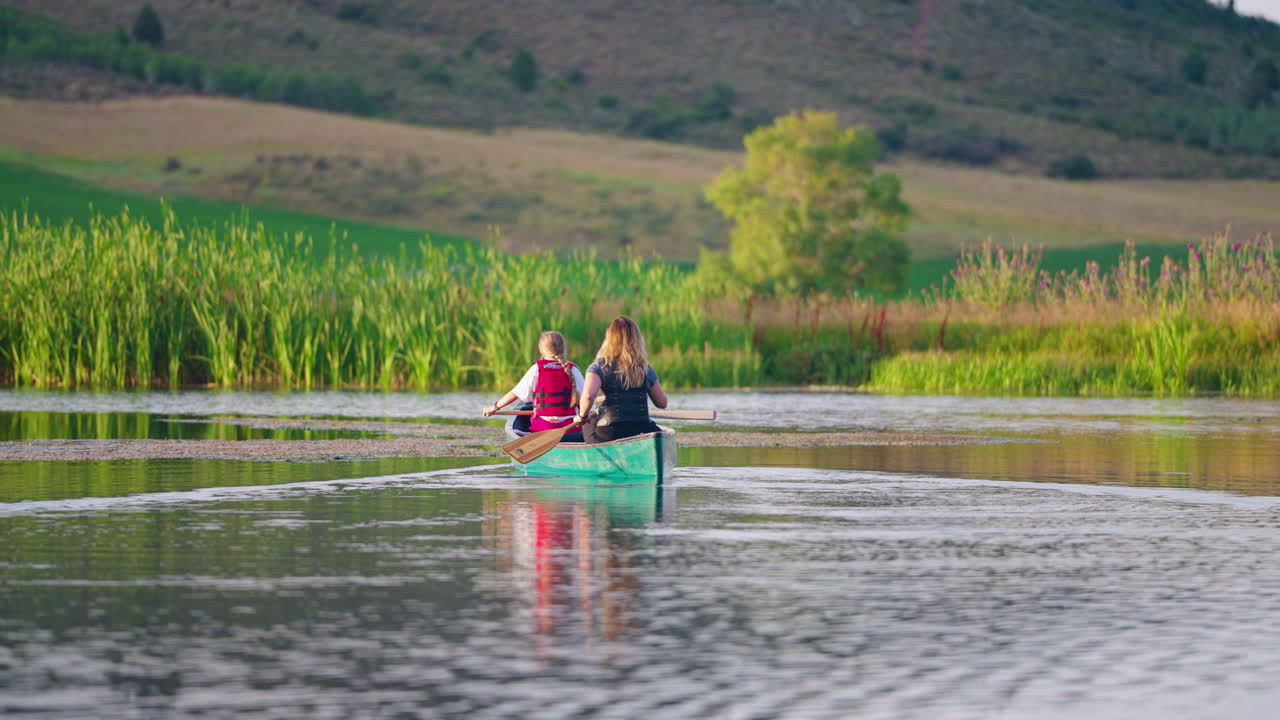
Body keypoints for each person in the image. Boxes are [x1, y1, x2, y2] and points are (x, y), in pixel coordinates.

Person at [575, 316, 668, 444]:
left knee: (587, 424)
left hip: (609, 433)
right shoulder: (645, 368)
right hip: (641, 429)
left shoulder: (598, 367)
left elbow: (588, 396)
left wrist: (582, 417)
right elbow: (662, 403)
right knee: (655, 428)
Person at [483, 331, 585, 437]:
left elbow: (515, 394)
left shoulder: (537, 369)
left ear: (541, 350)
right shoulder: (573, 369)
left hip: (543, 427)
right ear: (564, 349)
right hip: (571, 428)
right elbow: (587, 397)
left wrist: (494, 407)